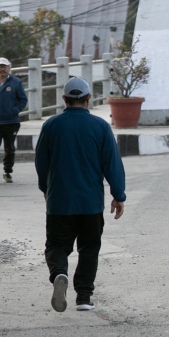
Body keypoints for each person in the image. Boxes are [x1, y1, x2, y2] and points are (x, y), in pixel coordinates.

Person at [36, 77, 126, 312]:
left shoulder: (51, 126)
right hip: (90, 203)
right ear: (88, 99)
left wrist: (46, 188)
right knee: (89, 248)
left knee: (56, 245)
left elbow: (41, 163)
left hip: (60, 201)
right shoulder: (100, 127)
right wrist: (119, 194)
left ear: (64, 99)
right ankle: (84, 297)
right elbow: (112, 164)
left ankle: (59, 273)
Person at [0, 57, 28, 183]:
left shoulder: (16, 83)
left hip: (11, 121)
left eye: (5, 67)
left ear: (9, 68)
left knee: (9, 147)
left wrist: (14, 110)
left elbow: (23, 99)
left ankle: (7, 172)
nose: (2, 69)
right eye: (0, 67)